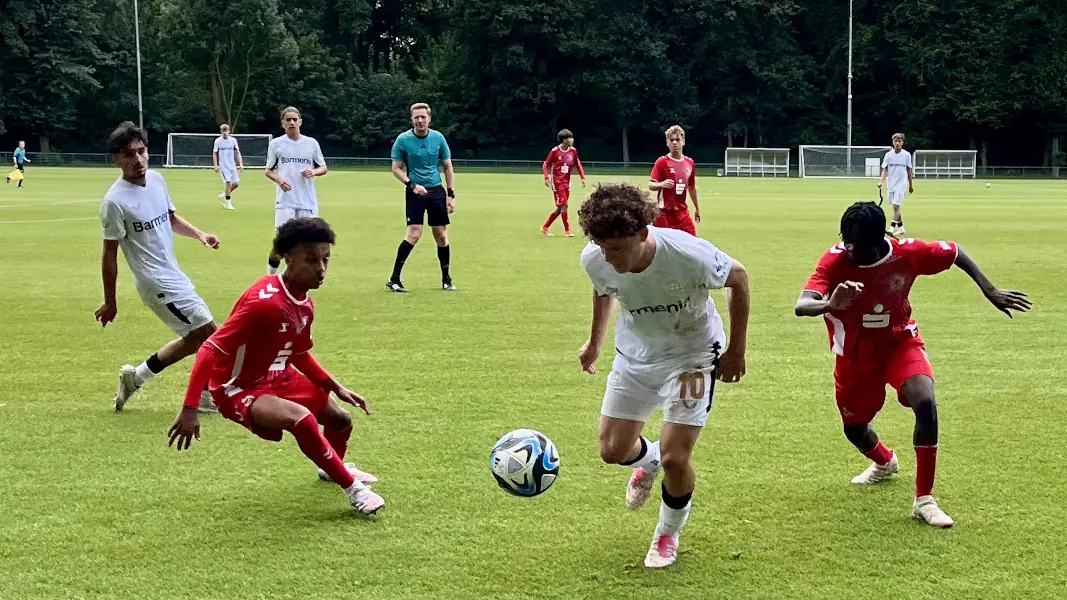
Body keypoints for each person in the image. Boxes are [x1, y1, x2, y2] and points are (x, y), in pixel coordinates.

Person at [795, 202, 1031, 528]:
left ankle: (924, 500)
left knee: (925, 401)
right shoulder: (835, 260)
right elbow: (802, 304)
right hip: (854, 357)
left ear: (879, 240)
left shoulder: (906, 253)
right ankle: (884, 462)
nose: (848, 248)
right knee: (855, 429)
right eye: (845, 239)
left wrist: (989, 290)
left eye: (856, 243)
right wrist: (828, 304)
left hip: (899, 343)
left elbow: (954, 251)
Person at [576, 183, 750, 568]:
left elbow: (739, 278)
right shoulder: (595, 258)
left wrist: (736, 350)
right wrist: (594, 343)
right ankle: (647, 460)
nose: (610, 258)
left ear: (643, 234)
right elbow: (604, 290)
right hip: (635, 357)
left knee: (677, 458)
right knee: (612, 452)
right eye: (603, 248)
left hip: (693, 355)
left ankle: (667, 533)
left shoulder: (688, 254)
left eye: (618, 249)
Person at [167, 217, 385, 516]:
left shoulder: (304, 304)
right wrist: (190, 408)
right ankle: (353, 490)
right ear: (287, 257)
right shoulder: (263, 303)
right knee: (303, 419)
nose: (321, 269)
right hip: (238, 387)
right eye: (310, 260)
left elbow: (298, 353)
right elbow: (208, 349)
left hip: (277, 375)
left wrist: (334, 386)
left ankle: (331, 469)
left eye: (326, 260)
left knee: (340, 420)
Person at [95, 121, 220, 413]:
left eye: (141, 151)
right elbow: (109, 254)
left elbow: (171, 219)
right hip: (156, 284)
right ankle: (205, 397)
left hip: (174, 274)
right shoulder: (114, 202)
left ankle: (135, 377)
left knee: (193, 340)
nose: (138, 159)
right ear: (116, 160)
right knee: (211, 334)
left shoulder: (158, 180)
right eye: (128, 154)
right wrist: (110, 301)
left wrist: (200, 234)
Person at [386, 102, 456, 293]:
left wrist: (450, 194)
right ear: (411, 119)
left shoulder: (438, 138)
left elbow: (447, 166)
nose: (419, 120)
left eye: (423, 117)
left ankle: (446, 279)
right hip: (414, 191)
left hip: (436, 191)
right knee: (414, 233)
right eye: (416, 117)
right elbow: (396, 168)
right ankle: (394, 279)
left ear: (429, 118)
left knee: (441, 235)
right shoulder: (403, 140)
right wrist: (411, 185)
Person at [264, 106, 327, 274]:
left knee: (308, 243)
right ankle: (269, 277)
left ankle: (291, 277)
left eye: (294, 119)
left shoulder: (311, 143)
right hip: (285, 202)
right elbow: (268, 170)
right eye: (288, 120)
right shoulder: (276, 144)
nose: (291, 122)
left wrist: (313, 172)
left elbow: (323, 167)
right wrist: (279, 179)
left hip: (307, 202)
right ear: (282, 124)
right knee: (281, 243)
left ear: (300, 122)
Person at [648, 126, 700, 236]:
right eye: (671, 140)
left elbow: (691, 187)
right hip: (663, 214)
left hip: (682, 214)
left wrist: (697, 208)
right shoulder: (662, 162)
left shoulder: (689, 163)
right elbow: (651, 185)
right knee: (662, 248)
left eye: (677, 140)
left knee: (692, 243)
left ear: (683, 141)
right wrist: (662, 184)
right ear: (667, 143)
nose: (674, 143)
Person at [540, 129, 586, 237]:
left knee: (561, 207)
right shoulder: (555, 151)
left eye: (571, 137)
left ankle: (545, 226)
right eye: (569, 138)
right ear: (564, 140)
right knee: (564, 205)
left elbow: (578, 165)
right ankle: (567, 230)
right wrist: (546, 177)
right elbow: (545, 164)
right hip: (557, 182)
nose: (572, 139)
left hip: (567, 183)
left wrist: (582, 178)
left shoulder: (573, 151)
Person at [878, 133, 913, 237]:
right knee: (895, 208)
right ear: (893, 142)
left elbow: (909, 170)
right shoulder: (888, 155)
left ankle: (891, 229)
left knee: (896, 206)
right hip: (891, 183)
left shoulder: (906, 155)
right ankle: (901, 228)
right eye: (895, 141)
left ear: (902, 142)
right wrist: (881, 181)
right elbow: (885, 169)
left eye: (899, 141)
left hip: (901, 184)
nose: (897, 143)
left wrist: (910, 185)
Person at [212, 123, 244, 210]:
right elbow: (215, 153)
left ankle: (223, 195)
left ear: (229, 131)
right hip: (224, 166)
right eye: (223, 131)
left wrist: (240, 164)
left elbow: (237, 152)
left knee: (236, 184)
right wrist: (216, 165)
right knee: (228, 183)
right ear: (221, 132)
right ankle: (228, 203)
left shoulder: (233, 140)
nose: (225, 133)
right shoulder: (218, 141)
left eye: (226, 131)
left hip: (232, 165)